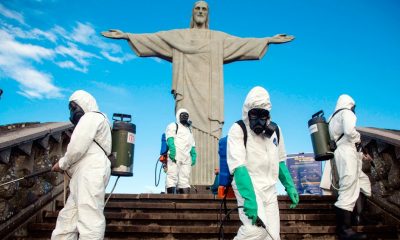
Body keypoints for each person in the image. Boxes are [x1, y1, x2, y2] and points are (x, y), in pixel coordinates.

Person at [101, 0, 294, 186]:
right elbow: (155, 39)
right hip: (187, 94)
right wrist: (128, 36)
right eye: (197, 8)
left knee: (210, 137)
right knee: (185, 131)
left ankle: (212, 181)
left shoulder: (218, 39)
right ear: (192, 13)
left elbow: (241, 44)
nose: (201, 11)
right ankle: (185, 183)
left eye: (204, 9)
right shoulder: (179, 37)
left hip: (210, 99)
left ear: (208, 14)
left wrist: (267, 40)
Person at [227, 86, 299, 240]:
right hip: (249, 185)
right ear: (247, 113)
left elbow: (279, 161)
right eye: (254, 115)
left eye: (263, 115)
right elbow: (238, 166)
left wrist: (290, 186)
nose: (258, 120)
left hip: (269, 189)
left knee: (273, 236)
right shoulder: (238, 129)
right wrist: (249, 198)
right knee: (256, 231)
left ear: (268, 115)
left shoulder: (276, 131)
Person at [51, 90, 111, 240]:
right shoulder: (100, 122)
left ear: (84, 103)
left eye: (73, 107)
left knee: (89, 217)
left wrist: (62, 164)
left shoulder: (92, 117)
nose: (72, 111)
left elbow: (77, 147)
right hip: (84, 173)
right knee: (68, 217)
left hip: (90, 171)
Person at [328, 94, 371, 240]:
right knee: (348, 186)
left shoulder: (331, 118)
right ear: (350, 104)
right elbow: (349, 131)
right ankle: (344, 230)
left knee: (363, 182)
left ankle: (359, 217)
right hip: (347, 151)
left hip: (342, 151)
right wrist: (359, 137)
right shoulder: (346, 113)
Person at [165, 108, 196, 194]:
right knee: (172, 175)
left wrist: (193, 154)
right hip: (175, 155)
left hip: (186, 157)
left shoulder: (189, 130)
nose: (185, 117)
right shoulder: (173, 125)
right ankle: (170, 197)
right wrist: (172, 151)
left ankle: (184, 198)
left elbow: (192, 143)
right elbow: (170, 138)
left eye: (186, 115)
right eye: (182, 115)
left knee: (185, 177)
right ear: (178, 116)